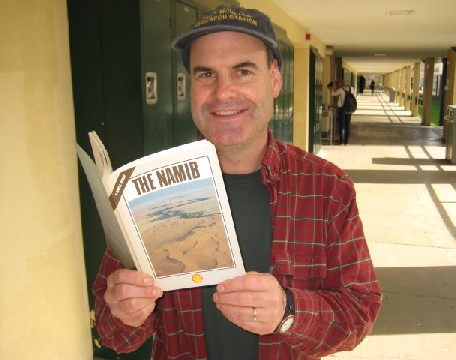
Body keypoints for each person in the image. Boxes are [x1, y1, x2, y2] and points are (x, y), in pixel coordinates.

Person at [92, 5, 382, 359]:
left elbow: (359, 311)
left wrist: (288, 313)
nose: (223, 93)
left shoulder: (326, 189)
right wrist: (124, 312)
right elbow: (112, 334)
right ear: (189, 86)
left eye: (242, 72)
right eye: (206, 75)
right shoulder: (148, 191)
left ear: (274, 80)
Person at [328, 79, 352, 145]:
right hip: (349, 109)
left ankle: (341, 141)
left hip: (342, 109)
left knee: (342, 126)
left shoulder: (340, 90)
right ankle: (346, 142)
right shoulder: (348, 89)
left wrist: (333, 87)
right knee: (347, 125)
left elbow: (333, 94)